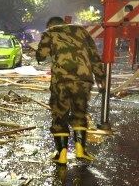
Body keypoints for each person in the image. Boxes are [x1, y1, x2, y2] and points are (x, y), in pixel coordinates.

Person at [35, 16, 105, 164]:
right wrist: (101, 78)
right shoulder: (81, 31)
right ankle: (81, 150)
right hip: (83, 80)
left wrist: (41, 50)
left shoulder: (49, 32)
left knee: (60, 114)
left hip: (61, 81)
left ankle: (62, 154)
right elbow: (94, 56)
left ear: (50, 25)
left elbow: (40, 56)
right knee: (80, 112)